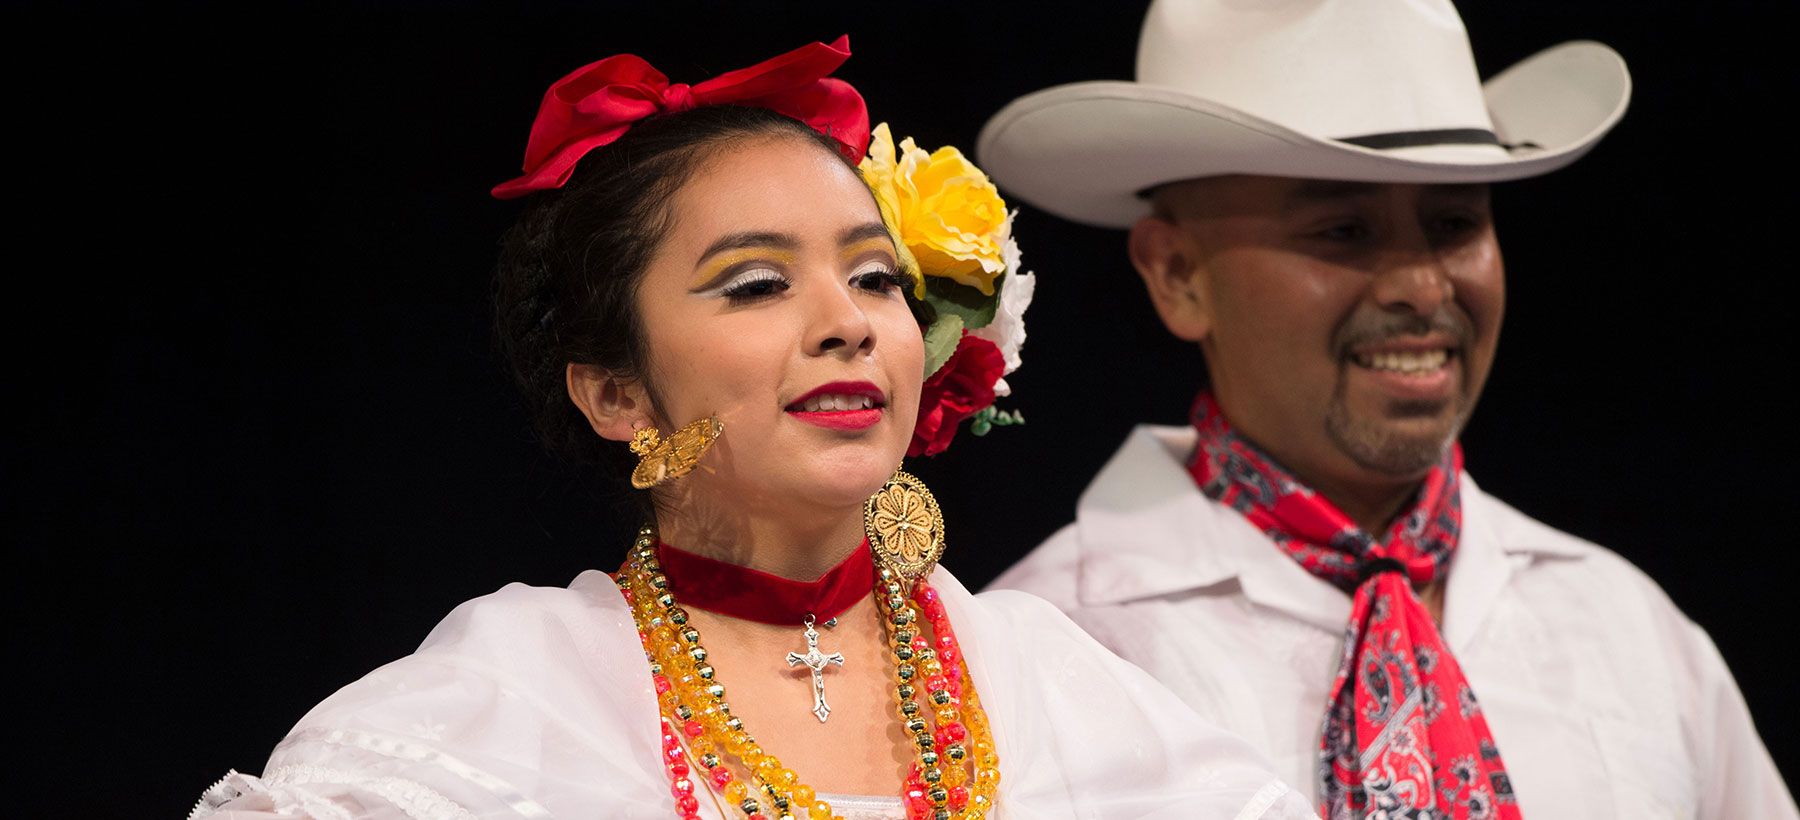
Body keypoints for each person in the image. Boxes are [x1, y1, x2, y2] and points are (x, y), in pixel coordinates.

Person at [188, 37, 1316, 820]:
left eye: (877, 278)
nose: (848, 325)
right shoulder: (513, 694)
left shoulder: (1044, 676)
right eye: (755, 285)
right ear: (617, 395)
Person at [977, 2, 1797, 820]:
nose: (1424, 287)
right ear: (1178, 274)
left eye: (1454, 223)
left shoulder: (1631, 635)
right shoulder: (1040, 654)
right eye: (1343, 229)